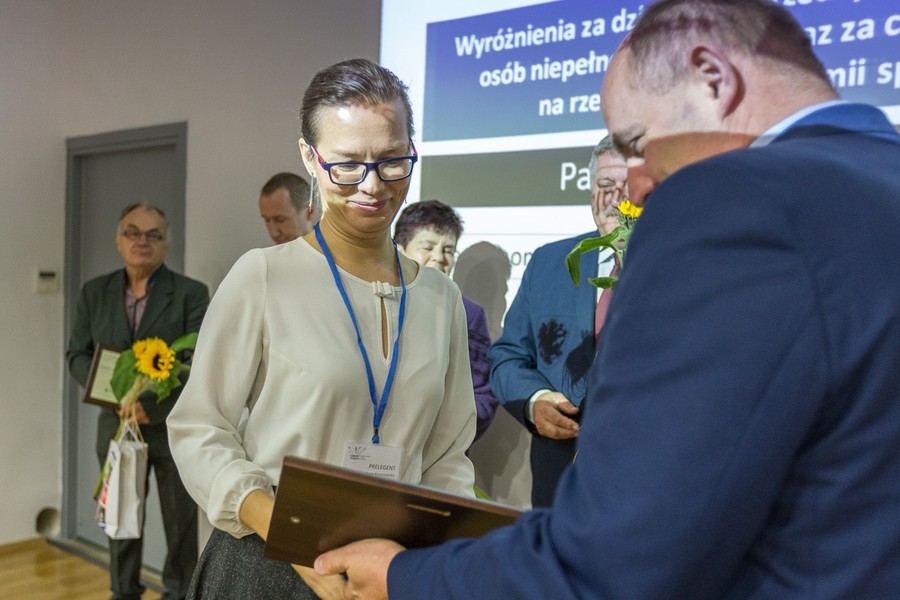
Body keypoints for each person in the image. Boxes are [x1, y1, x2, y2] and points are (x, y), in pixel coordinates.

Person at [312, 0, 900, 598]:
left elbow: (619, 560)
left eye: (638, 143)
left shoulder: (737, 203)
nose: (638, 187)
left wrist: (404, 577)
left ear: (713, 78)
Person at [166, 58, 476, 600]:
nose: (373, 185)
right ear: (310, 157)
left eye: (392, 160)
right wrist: (285, 530)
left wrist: (435, 559)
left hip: (389, 569)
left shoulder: (440, 298)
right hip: (269, 559)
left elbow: (447, 454)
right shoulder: (264, 276)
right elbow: (198, 428)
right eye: (348, 164)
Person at [67, 203, 209, 600]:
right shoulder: (94, 292)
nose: (142, 242)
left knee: (179, 525)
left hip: (170, 431)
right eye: (133, 232)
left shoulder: (191, 295)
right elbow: (76, 354)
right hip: (116, 427)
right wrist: (116, 397)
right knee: (120, 519)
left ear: (165, 244)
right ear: (118, 241)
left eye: (153, 234)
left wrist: (156, 407)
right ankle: (123, 591)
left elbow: (200, 363)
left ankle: (179, 593)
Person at [486, 136, 626, 507]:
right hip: (558, 484)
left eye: (627, 187)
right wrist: (535, 400)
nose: (615, 199)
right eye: (606, 186)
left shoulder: (681, 265)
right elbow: (507, 356)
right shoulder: (550, 263)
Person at [393, 199, 498, 440]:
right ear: (400, 248)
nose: (439, 258)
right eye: (427, 247)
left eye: (448, 250)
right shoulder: (374, 299)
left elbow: (481, 395)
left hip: (438, 456)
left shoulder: (468, 314)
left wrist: (446, 432)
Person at [258, 171, 319, 244]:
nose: (274, 233)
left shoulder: (333, 251)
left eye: (280, 220)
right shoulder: (267, 254)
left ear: (309, 212)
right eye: (267, 220)